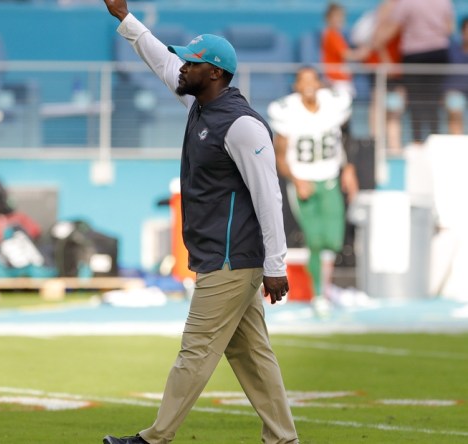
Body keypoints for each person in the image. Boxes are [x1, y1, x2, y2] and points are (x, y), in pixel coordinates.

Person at [101, 1, 298, 443]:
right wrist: (125, 19)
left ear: (213, 73)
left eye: (192, 61)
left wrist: (277, 265)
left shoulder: (242, 126)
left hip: (232, 260)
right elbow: (162, 63)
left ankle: (154, 438)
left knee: (195, 351)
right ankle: (284, 440)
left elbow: (269, 196)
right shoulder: (203, 103)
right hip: (218, 255)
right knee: (251, 355)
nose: (182, 66)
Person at [268, 67, 359, 316]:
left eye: (312, 79)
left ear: (319, 83)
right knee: (315, 242)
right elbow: (280, 154)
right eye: (302, 80)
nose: (308, 84)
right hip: (304, 182)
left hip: (330, 179)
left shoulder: (334, 104)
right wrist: (296, 180)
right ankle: (320, 294)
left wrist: (349, 168)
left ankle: (324, 289)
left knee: (334, 240)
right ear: (296, 85)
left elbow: (347, 135)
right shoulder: (287, 111)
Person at [372, 0, 455, 145]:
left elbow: (392, 28)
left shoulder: (407, 3)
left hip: (414, 55)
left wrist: (378, 40)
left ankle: (417, 141)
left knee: (416, 101)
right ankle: (434, 138)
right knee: (434, 100)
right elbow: (449, 29)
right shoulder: (444, 2)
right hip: (439, 54)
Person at [361, 0, 406, 155]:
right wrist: (387, 61)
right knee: (378, 108)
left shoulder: (402, 7)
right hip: (382, 68)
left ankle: (394, 146)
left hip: (396, 68)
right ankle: (377, 146)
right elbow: (377, 39)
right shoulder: (388, 7)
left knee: (395, 109)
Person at [321, 2, 370, 97]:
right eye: (336, 16)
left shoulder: (336, 35)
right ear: (328, 18)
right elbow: (347, 55)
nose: (340, 19)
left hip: (339, 79)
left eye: (341, 16)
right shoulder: (332, 35)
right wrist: (363, 52)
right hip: (336, 80)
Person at [445, 17, 468, 135]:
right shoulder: (452, 49)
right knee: (455, 106)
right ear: (462, 32)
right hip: (454, 92)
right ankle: (456, 143)